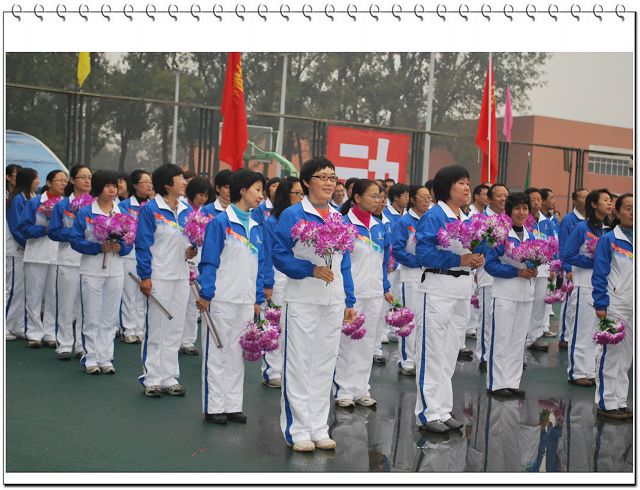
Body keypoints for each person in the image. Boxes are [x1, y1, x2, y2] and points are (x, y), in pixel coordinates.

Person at [272, 157, 356, 452]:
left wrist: (349, 299)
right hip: (303, 300)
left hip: (333, 301)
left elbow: (345, 263)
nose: (329, 182)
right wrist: (310, 269)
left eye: (333, 177)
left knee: (324, 364)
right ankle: (297, 429)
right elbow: (279, 255)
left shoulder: (340, 218)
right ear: (307, 182)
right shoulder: (293, 215)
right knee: (298, 365)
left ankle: (319, 427)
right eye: (322, 177)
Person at [414, 165, 484, 433]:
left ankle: (442, 410)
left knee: (449, 353)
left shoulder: (466, 218)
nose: (467, 188)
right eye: (461, 183)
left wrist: (478, 256)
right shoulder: (434, 216)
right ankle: (427, 413)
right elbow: (423, 254)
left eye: (468, 182)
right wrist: (459, 259)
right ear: (446, 187)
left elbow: (471, 251)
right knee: (432, 352)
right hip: (438, 287)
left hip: (461, 289)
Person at [196, 169, 265, 425]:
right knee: (217, 352)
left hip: (245, 301)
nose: (261, 195)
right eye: (257, 189)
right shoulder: (220, 223)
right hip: (222, 298)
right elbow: (209, 261)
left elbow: (260, 264)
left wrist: (257, 297)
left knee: (237, 353)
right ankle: (214, 406)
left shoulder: (257, 226)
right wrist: (206, 293)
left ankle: (233, 405)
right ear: (242, 190)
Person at [136, 164, 195, 397]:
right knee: (157, 328)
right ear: (167, 183)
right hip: (159, 276)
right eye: (180, 178)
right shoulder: (151, 210)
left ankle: (169, 377)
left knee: (175, 328)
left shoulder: (187, 210)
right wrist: (145, 276)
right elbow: (143, 245)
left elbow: (192, 241)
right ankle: (151, 378)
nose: (184, 182)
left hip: (181, 276)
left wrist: (192, 250)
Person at [334, 179, 392, 409]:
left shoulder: (379, 227)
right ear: (357, 198)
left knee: (368, 342)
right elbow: (342, 264)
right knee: (348, 342)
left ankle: (361, 389)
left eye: (380, 196)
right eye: (373, 196)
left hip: (374, 293)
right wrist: (348, 295)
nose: (378, 200)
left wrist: (385, 287)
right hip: (353, 294)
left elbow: (383, 262)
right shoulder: (344, 224)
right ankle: (344, 390)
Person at [69, 170, 133, 374]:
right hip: (92, 271)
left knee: (110, 316)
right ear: (98, 188)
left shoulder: (122, 213)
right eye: (107, 186)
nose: (112, 189)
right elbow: (75, 241)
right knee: (91, 315)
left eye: (114, 185)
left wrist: (121, 248)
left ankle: (106, 358)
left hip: (116, 271)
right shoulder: (86, 213)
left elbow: (130, 242)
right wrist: (98, 247)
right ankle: (90, 358)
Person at [484, 193, 537, 398]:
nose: (522, 212)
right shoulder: (501, 235)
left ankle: (512, 382)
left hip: (526, 295)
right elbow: (490, 265)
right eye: (517, 208)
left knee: (517, 341)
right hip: (505, 294)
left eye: (525, 208)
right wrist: (516, 272)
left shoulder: (531, 235)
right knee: (501, 339)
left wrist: (534, 268)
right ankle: (496, 384)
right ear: (509, 211)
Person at [564, 189, 613, 387]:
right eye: (605, 200)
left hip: (601, 285)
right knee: (581, 329)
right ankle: (576, 372)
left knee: (595, 329)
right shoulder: (582, 227)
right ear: (593, 204)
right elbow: (568, 254)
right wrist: (594, 262)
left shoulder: (607, 230)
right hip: (584, 283)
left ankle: (590, 370)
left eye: (610, 200)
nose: (609, 203)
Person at [260, 176, 304, 387]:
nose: (301, 197)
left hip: (296, 278)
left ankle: (289, 370)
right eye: (297, 193)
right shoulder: (273, 222)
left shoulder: (303, 218)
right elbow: (267, 254)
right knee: (274, 324)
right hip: (277, 278)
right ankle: (272, 370)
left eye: (303, 193)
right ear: (286, 195)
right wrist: (267, 283)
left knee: (292, 326)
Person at [592, 193, 633, 420]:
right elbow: (600, 273)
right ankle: (606, 403)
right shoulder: (609, 240)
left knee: (627, 355)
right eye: (628, 208)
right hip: (614, 304)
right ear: (617, 212)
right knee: (610, 353)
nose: (633, 212)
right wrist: (601, 303)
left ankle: (620, 400)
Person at [48, 165, 93, 359]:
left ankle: (82, 344)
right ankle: (64, 344)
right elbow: (53, 231)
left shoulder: (95, 204)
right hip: (68, 260)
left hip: (89, 261)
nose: (87, 181)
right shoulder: (62, 205)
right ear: (72, 180)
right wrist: (76, 234)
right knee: (66, 304)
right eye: (82, 177)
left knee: (86, 305)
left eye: (89, 177)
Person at [19, 169, 67, 348]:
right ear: (49, 183)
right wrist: (44, 229)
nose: (63, 183)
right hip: (36, 255)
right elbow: (24, 227)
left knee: (53, 296)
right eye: (59, 180)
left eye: (65, 180)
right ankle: (34, 333)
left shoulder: (66, 204)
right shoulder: (35, 202)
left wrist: (57, 230)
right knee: (34, 295)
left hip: (58, 256)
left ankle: (50, 333)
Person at [391, 184, 430, 376]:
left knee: (425, 318)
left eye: (429, 197)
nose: (427, 200)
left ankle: (421, 358)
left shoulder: (431, 219)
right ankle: (406, 359)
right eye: (423, 197)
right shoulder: (405, 222)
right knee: (409, 317)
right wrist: (418, 261)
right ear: (413, 199)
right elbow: (398, 250)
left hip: (429, 275)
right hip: (410, 274)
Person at [117, 170, 154, 344]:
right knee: (129, 292)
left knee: (143, 294)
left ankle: (140, 329)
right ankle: (128, 329)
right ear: (135, 185)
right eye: (145, 182)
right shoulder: (124, 205)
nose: (149, 185)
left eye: (150, 182)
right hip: (130, 254)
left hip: (148, 254)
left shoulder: (153, 205)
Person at [180, 176, 212, 356]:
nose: (203, 199)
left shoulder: (205, 213)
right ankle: (176, 338)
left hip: (198, 259)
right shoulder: (182, 209)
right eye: (200, 194)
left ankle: (188, 340)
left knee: (194, 302)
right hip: (182, 258)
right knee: (180, 301)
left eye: (206, 195)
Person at [6, 167, 38, 341]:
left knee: (20, 290)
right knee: (11, 289)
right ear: (28, 180)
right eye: (36, 178)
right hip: (15, 249)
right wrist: (27, 244)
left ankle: (16, 325)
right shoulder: (17, 199)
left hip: (26, 250)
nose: (38, 181)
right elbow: (16, 227)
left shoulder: (31, 197)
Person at [523, 187, 555, 353]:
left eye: (538, 199)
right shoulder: (523, 219)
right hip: (526, 266)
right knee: (526, 301)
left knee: (540, 303)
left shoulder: (546, 221)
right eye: (532, 200)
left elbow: (553, 242)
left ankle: (534, 337)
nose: (536, 203)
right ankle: (522, 336)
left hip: (543, 267)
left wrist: (553, 264)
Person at [557, 187, 588, 350]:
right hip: (572, 266)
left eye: (588, 197)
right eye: (583, 197)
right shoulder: (569, 220)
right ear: (575, 201)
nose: (586, 200)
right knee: (569, 302)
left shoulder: (590, 219)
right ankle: (564, 336)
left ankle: (575, 334)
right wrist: (567, 267)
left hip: (584, 268)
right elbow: (563, 244)